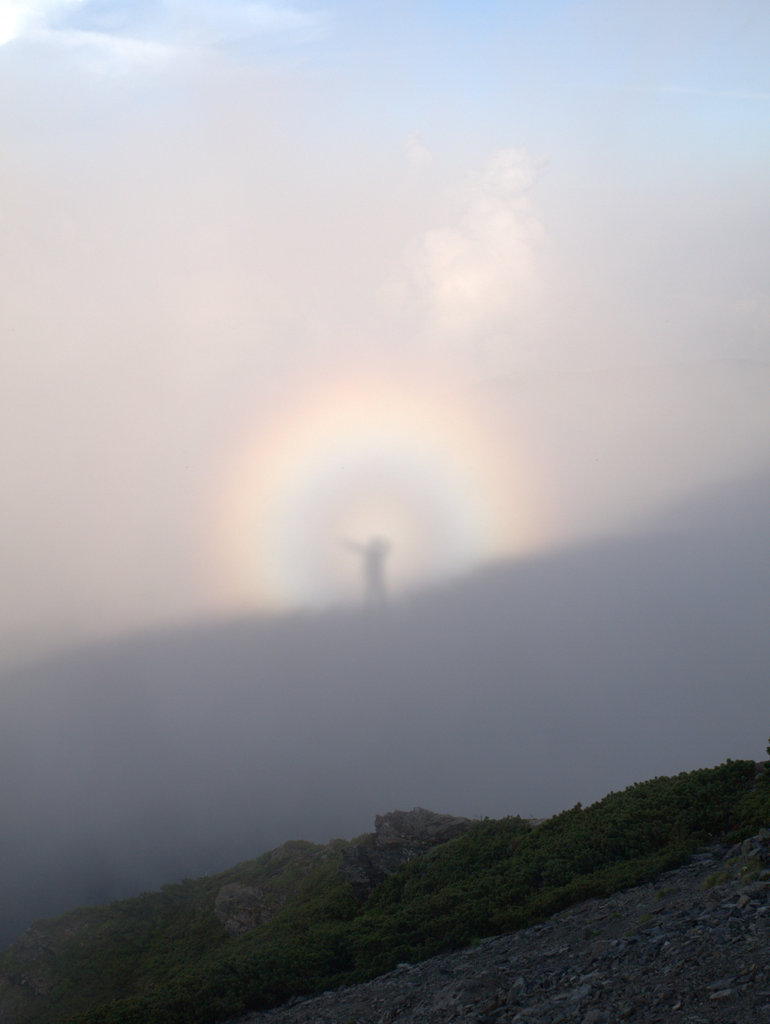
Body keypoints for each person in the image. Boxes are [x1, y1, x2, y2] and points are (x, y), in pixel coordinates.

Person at [343, 536, 391, 605]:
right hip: (373, 576)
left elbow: (356, 548)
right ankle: (378, 606)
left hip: (374, 576)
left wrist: (380, 543)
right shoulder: (375, 553)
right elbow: (356, 547)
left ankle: (375, 607)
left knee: (374, 591)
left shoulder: (374, 553)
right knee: (375, 591)